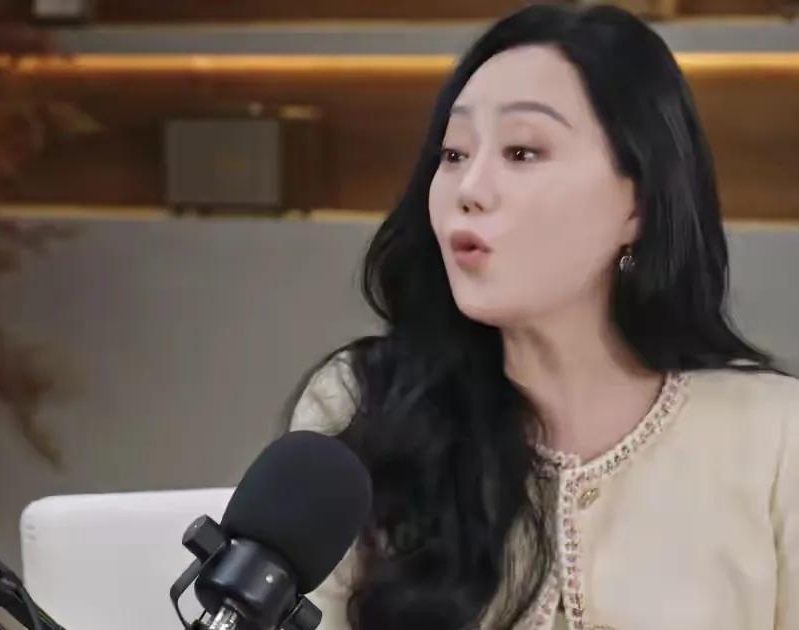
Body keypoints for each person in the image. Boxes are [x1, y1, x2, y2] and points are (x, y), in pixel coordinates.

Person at [285, 4, 798, 630]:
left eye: (522, 151)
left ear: (638, 202)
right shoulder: (366, 405)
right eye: (453, 153)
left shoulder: (775, 438)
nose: (469, 189)